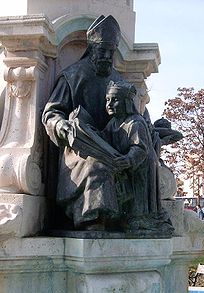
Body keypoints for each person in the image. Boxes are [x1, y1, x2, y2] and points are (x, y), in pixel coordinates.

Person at [42, 15, 124, 231]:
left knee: (137, 162)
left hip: (113, 146)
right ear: (92, 48)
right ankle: (92, 221)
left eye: (111, 51)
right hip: (79, 149)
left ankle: (136, 222)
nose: (107, 56)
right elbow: (52, 113)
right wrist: (62, 126)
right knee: (96, 166)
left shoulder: (118, 80)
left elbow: (132, 115)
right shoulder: (72, 75)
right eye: (102, 50)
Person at [102, 80, 173, 234]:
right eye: (108, 100)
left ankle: (141, 219)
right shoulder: (114, 123)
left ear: (127, 102)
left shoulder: (135, 123)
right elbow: (104, 138)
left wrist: (128, 160)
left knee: (139, 201)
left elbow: (140, 148)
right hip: (127, 168)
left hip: (140, 169)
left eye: (115, 100)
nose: (109, 104)